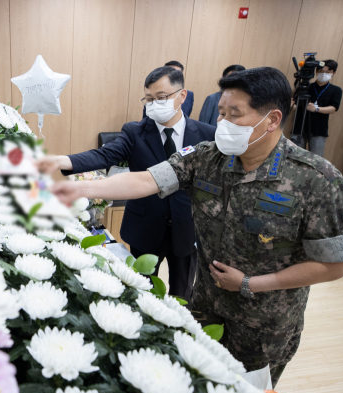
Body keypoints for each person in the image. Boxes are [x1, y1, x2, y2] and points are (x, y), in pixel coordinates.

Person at [50, 67, 343, 387]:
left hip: (263, 328)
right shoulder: (207, 157)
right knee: (197, 389)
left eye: (235, 114)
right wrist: (80, 189)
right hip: (205, 310)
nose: (223, 123)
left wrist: (251, 283)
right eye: (222, 113)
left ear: (271, 119)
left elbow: (336, 264)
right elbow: (147, 179)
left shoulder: (317, 179)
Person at [37, 66, 215, 299]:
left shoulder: (207, 135)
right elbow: (104, 155)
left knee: (183, 293)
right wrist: (63, 160)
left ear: (182, 96)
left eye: (161, 98)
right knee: (142, 291)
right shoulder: (135, 132)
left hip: (187, 227)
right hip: (145, 226)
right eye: (149, 99)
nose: (153, 104)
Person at [296, 59, 342, 157]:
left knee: (316, 161)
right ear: (316, 71)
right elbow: (295, 105)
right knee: (296, 158)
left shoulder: (336, 90)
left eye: (327, 72)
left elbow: (333, 108)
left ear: (333, 73)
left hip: (319, 129)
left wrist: (316, 109)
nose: (323, 74)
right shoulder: (305, 87)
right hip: (300, 127)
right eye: (321, 71)